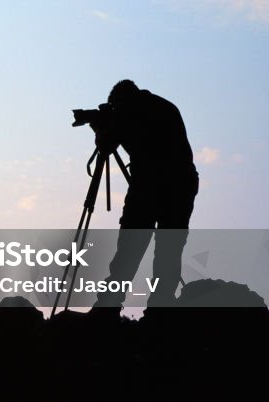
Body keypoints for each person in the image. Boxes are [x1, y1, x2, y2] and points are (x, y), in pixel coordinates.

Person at [90, 80, 199, 310]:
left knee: (130, 248)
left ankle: (108, 307)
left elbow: (107, 145)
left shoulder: (127, 110)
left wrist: (100, 128)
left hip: (149, 186)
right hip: (181, 184)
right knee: (169, 250)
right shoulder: (164, 106)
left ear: (119, 101)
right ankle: (160, 309)